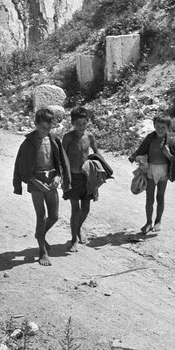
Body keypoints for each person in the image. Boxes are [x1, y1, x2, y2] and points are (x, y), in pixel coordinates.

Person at [13, 108, 71, 266]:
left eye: (49, 127)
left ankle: (40, 235)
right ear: (35, 124)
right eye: (43, 127)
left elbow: (59, 161)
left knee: (54, 216)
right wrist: (34, 182)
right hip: (36, 181)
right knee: (42, 216)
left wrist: (59, 177)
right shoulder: (29, 143)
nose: (46, 130)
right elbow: (23, 167)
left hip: (52, 179)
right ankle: (42, 251)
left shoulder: (53, 139)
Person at [128, 113, 175, 234]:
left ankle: (158, 221)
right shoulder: (150, 137)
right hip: (150, 170)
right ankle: (148, 222)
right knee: (149, 198)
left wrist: (169, 156)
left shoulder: (171, 141)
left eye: (163, 127)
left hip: (163, 171)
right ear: (154, 125)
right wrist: (134, 156)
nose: (160, 129)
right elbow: (142, 148)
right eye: (158, 126)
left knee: (160, 197)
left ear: (168, 128)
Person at [61, 106, 100, 252]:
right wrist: (63, 176)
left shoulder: (89, 136)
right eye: (78, 124)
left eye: (84, 124)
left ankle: (77, 228)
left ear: (87, 122)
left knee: (86, 208)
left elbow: (96, 152)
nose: (81, 127)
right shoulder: (68, 137)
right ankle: (73, 239)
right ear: (72, 122)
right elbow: (62, 156)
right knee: (75, 209)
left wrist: (101, 170)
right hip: (73, 177)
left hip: (87, 177)